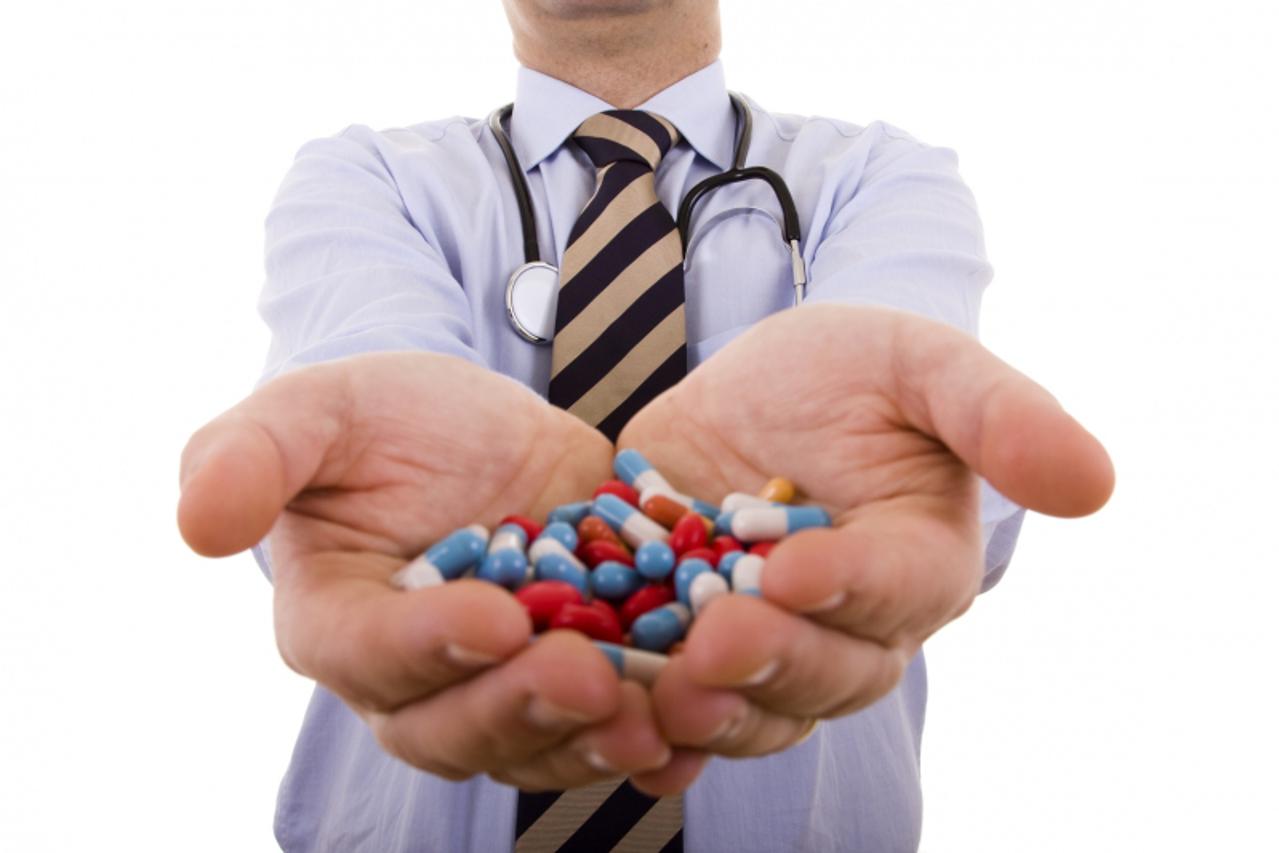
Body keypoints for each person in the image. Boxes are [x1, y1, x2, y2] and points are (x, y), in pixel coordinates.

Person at [177, 1, 1115, 850]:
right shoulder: (367, 176)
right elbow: (354, 397)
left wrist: (913, 471)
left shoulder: (878, 175)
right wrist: (356, 470)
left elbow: (933, 462)